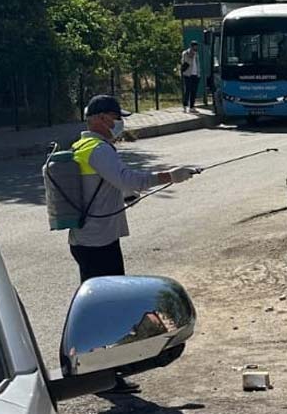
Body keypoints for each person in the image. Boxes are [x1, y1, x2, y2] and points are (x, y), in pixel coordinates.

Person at [69, 94, 197, 394]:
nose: (120, 123)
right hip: (98, 240)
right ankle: (101, 374)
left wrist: (120, 196)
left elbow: (101, 187)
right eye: (116, 117)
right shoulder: (99, 149)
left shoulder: (82, 145)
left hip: (88, 237)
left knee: (100, 304)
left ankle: (101, 371)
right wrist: (172, 175)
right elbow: (130, 179)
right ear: (100, 119)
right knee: (105, 307)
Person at [180, 41, 200, 113]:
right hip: (188, 74)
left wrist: (198, 73)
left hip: (195, 74)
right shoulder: (186, 53)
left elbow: (197, 63)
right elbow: (185, 61)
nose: (196, 48)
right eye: (194, 46)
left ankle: (192, 106)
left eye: (196, 46)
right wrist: (190, 54)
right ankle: (185, 106)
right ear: (191, 46)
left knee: (193, 91)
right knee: (187, 90)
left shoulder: (196, 54)